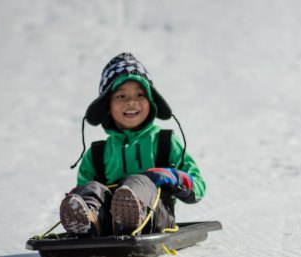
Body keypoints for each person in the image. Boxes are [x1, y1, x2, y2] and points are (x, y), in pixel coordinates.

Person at [60, 52, 206, 237]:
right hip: (107, 226)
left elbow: (199, 186)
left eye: (139, 94)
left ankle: (130, 216)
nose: (131, 101)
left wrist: (174, 176)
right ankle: (88, 221)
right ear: (108, 106)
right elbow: (85, 187)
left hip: (156, 217)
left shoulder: (165, 142)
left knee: (137, 182)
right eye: (121, 96)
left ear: (151, 101)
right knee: (93, 188)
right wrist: (80, 196)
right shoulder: (96, 154)